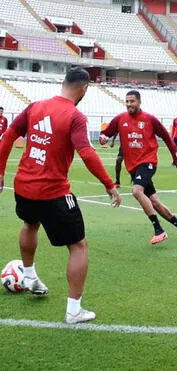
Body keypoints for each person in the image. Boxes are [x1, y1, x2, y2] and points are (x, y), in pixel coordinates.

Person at [0, 68, 121, 324]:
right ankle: (74, 310)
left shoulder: (35, 107)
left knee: (29, 224)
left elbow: (8, 136)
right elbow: (86, 152)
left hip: (23, 187)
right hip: (53, 192)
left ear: (62, 83)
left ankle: (30, 276)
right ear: (84, 89)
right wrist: (109, 184)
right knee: (78, 246)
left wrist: (0, 173)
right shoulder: (75, 116)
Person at [99, 90, 177, 245]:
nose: (129, 104)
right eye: (127, 101)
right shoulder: (120, 119)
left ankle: (159, 230)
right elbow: (106, 133)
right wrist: (103, 138)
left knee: (136, 191)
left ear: (139, 102)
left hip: (148, 162)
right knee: (154, 202)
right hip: (132, 167)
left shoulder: (150, 119)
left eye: (132, 101)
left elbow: (168, 139)